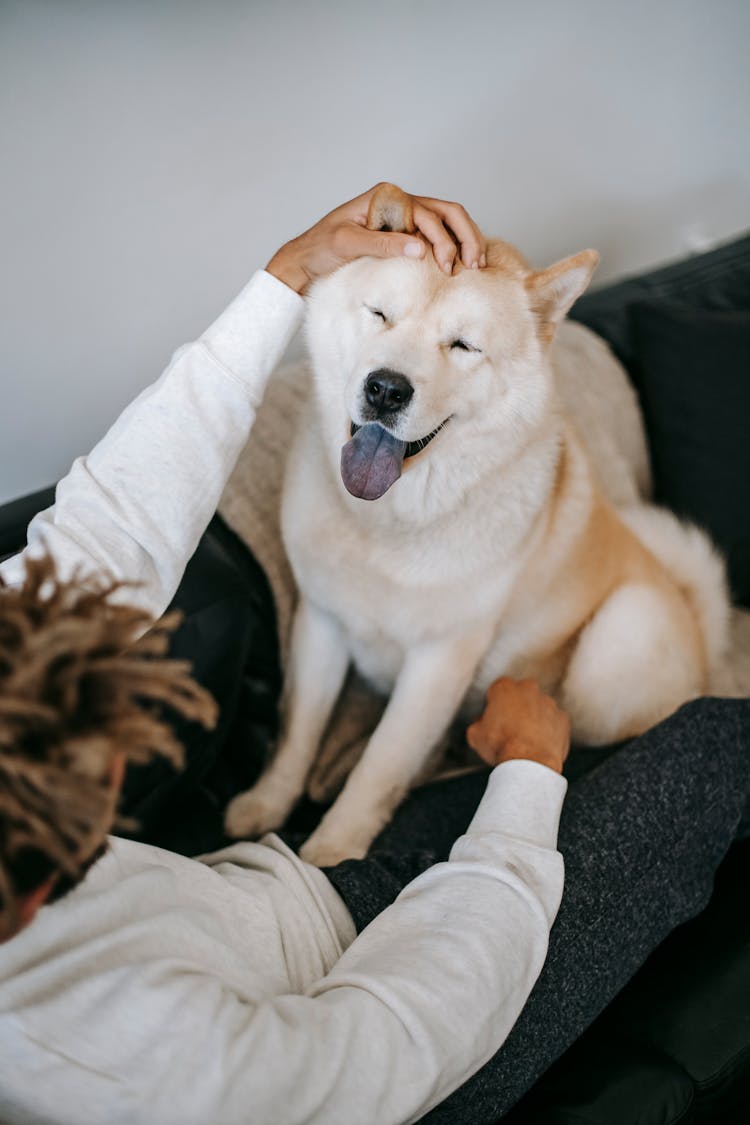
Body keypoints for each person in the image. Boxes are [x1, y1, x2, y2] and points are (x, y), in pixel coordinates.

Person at [0, 183, 747, 1125]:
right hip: (354, 931)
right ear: (34, 889)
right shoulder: (163, 1074)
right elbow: (422, 1022)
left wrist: (289, 270)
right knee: (720, 745)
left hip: (586, 636)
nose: (393, 367)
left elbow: (104, 537)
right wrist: (527, 766)